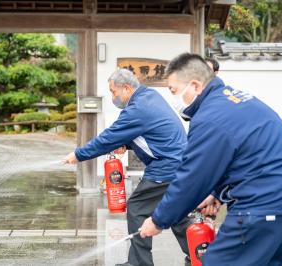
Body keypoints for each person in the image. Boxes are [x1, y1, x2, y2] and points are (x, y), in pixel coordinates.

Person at [139, 53, 282, 265]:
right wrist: (217, 194)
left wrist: (159, 220)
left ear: (195, 85)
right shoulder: (233, 99)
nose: (174, 100)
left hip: (268, 201)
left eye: (174, 91)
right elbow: (243, 156)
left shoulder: (210, 118)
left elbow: (192, 178)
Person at [64, 69, 191, 266]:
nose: (113, 97)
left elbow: (108, 137)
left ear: (126, 88)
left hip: (166, 166)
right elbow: (152, 133)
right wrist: (129, 144)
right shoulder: (149, 96)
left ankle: (139, 263)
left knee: (137, 208)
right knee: (176, 212)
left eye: (114, 92)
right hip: (178, 163)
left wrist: (78, 155)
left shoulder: (138, 109)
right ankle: (199, 255)